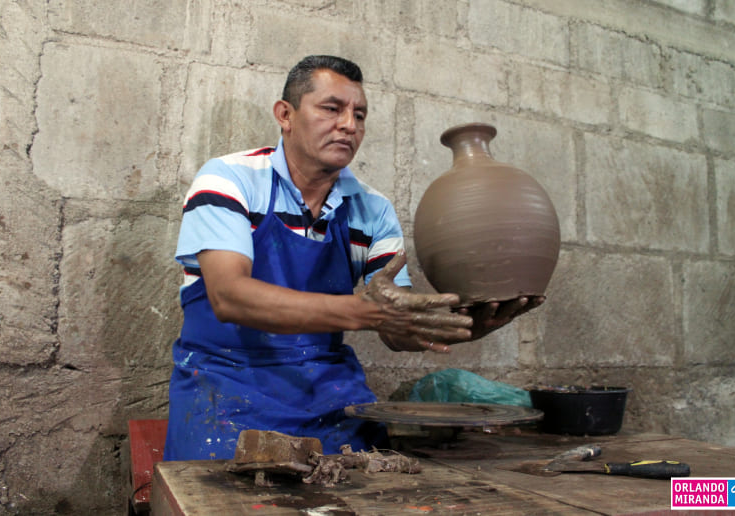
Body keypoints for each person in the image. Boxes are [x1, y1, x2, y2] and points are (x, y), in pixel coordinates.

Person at [163, 55, 544, 461]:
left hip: (328, 393)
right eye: (332, 109)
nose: (349, 125)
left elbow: (395, 328)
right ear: (285, 115)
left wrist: (460, 326)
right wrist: (366, 313)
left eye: (359, 115)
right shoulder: (229, 180)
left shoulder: (372, 210)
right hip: (225, 384)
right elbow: (229, 296)